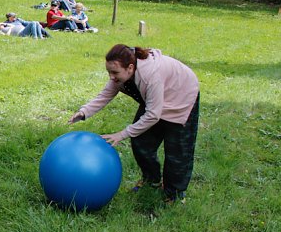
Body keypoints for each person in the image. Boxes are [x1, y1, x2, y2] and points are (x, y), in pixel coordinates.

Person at [68, 44, 200, 204]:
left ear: (130, 68)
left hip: (181, 95)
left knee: (177, 151)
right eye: (108, 72)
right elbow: (106, 94)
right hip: (156, 99)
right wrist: (84, 112)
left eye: (115, 72)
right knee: (140, 141)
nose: (111, 76)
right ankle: (152, 180)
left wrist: (121, 134)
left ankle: (174, 194)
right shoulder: (122, 73)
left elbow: (152, 115)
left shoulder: (150, 75)